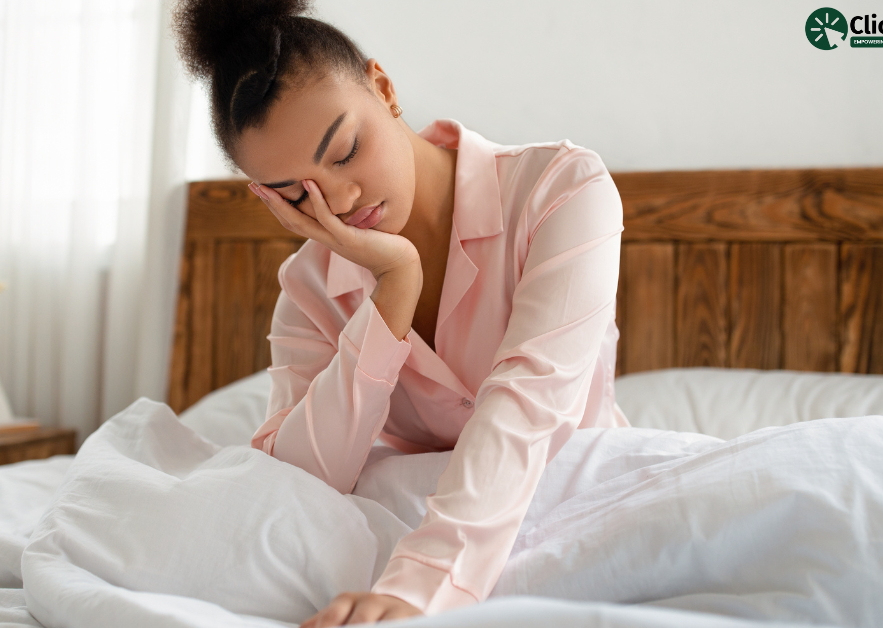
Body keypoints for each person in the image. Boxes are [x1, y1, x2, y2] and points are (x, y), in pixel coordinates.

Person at [171, 0, 630, 625]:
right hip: (408, 526)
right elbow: (302, 478)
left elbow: (526, 405)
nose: (339, 201)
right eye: (295, 193)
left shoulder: (562, 191)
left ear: (383, 88)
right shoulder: (308, 290)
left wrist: (417, 592)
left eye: (345, 151)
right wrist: (392, 291)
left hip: (592, 509)